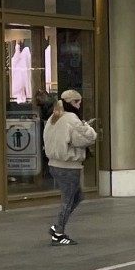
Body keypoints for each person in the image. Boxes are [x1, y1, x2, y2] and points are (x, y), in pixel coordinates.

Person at [42, 89, 98, 246]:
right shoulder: (71, 119)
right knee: (68, 199)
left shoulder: (54, 117)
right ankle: (58, 233)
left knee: (77, 196)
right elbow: (87, 138)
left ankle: (57, 227)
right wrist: (87, 126)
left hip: (54, 163)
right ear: (71, 102)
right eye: (77, 102)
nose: (79, 105)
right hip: (68, 165)